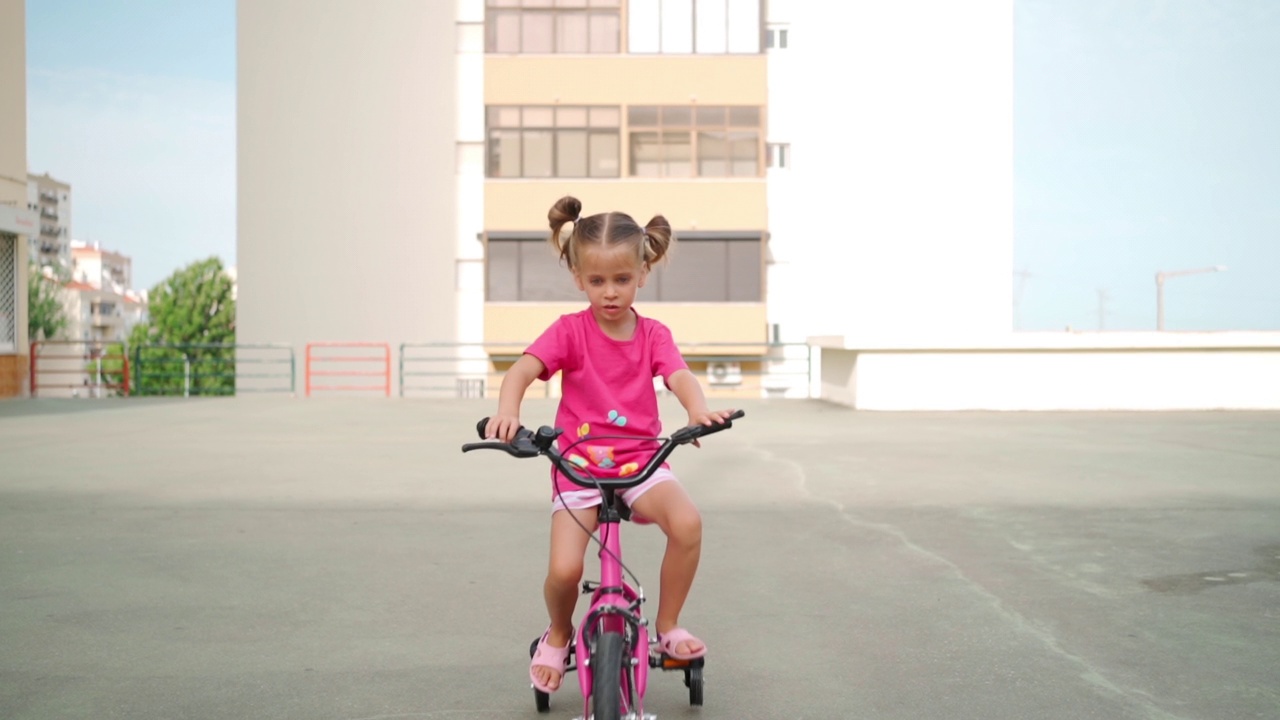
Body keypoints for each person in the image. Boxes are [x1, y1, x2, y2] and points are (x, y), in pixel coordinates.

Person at [484, 195, 735, 695]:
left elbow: (678, 375)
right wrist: (509, 409)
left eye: (621, 279)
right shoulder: (570, 331)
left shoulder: (652, 334)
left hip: (641, 464)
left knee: (688, 524)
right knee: (564, 569)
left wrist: (696, 408)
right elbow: (522, 370)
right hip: (578, 466)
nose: (609, 293)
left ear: (644, 272)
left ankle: (667, 627)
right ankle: (557, 635)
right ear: (578, 278)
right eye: (597, 281)